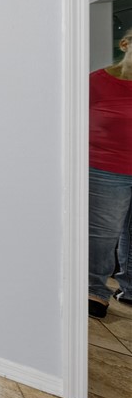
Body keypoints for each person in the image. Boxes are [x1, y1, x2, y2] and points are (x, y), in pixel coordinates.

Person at [88, 26, 132, 318]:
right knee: (103, 235)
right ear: (125, 43)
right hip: (106, 169)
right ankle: (95, 290)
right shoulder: (96, 82)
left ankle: (129, 289)